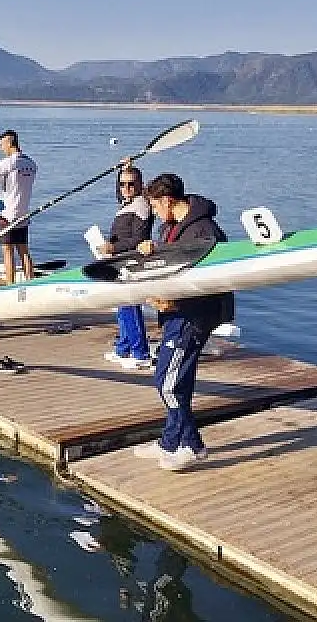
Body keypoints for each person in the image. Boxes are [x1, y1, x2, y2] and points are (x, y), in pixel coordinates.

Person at [133, 173, 234, 472]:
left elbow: (210, 278)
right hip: (178, 312)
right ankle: (170, 440)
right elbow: (174, 263)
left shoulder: (203, 230)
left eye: (153, 205)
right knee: (179, 379)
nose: (152, 212)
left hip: (194, 315)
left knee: (167, 380)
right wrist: (154, 250)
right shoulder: (172, 227)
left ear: (166, 200)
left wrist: (174, 302)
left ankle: (191, 445)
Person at [98, 165, 153, 370]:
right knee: (122, 306)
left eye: (131, 184)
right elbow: (120, 189)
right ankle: (123, 349)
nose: (126, 188)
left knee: (129, 305)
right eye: (122, 184)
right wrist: (121, 169)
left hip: (132, 261)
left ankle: (141, 354)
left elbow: (139, 239)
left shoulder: (141, 206)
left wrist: (113, 246)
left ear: (140, 184)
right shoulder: (127, 202)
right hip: (119, 261)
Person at [0, 129, 37, 284]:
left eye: (2, 145)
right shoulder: (31, 164)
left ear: (9, 142)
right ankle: (31, 282)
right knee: (24, 251)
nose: (1, 149)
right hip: (23, 213)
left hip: (7, 214)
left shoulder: (9, 162)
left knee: (7, 251)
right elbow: (15, 183)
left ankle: (10, 284)